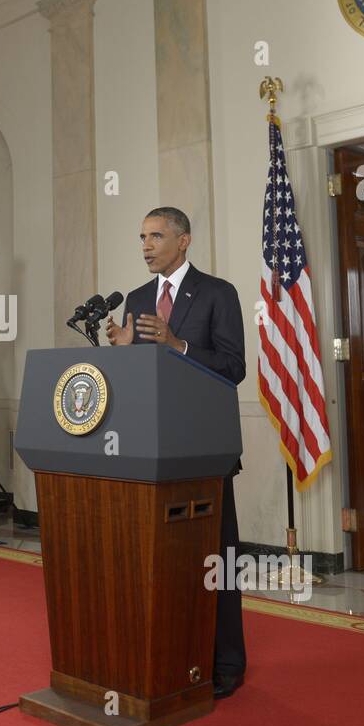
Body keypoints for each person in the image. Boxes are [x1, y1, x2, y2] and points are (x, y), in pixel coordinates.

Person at [105, 206, 248, 699]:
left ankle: (226, 665)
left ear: (183, 241)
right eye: (142, 236)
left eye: (156, 236)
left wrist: (177, 343)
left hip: (205, 452)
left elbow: (233, 367)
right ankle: (169, 657)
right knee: (163, 564)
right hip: (150, 450)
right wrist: (125, 351)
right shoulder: (139, 298)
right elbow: (142, 379)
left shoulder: (217, 293)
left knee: (216, 560)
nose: (145, 245)